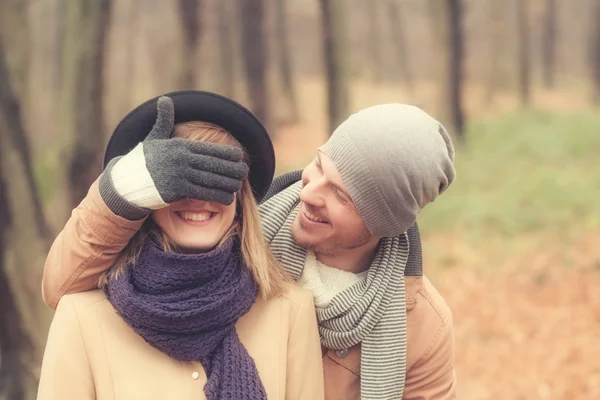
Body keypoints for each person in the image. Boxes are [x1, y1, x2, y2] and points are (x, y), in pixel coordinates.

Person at [42, 98, 457, 399]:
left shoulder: (417, 326)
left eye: (342, 196)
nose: (309, 192)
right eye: (318, 167)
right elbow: (62, 285)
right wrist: (122, 192)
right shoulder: (246, 237)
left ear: (382, 222)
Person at [37, 91, 324, 400]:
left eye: (215, 180)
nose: (198, 198)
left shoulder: (290, 311)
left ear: (240, 197)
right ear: (146, 197)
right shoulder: (83, 318)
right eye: (178, 182)